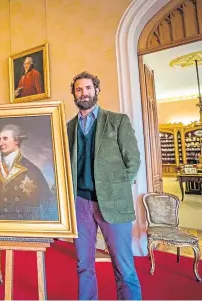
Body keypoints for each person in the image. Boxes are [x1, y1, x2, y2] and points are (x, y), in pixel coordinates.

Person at [67, 71, 142, 300]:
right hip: (80, 203)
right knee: (83, 265)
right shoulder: (68, 127)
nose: (84, 93)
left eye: (88, 88)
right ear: (74, 94)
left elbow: (133, 161)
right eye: (79, 89)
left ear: (96, 90)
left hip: (113, 203)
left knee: (124, 267)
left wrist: (116, 189)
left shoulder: (117, 121)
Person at [0, 124, 57, 221]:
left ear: (16, 140)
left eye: (5, 139)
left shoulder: (32, 171)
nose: (0, 143)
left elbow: (47, 204)